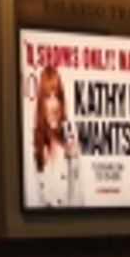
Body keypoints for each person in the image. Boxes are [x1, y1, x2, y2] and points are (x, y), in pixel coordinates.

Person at [24, 65, 83, 209]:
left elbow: (79, 198)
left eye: (57, 96)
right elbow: (32, 199)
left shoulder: (69, 140)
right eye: (48, 97)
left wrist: (75, 161)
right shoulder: (32, 143)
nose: (54, 105)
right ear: (40, 103)